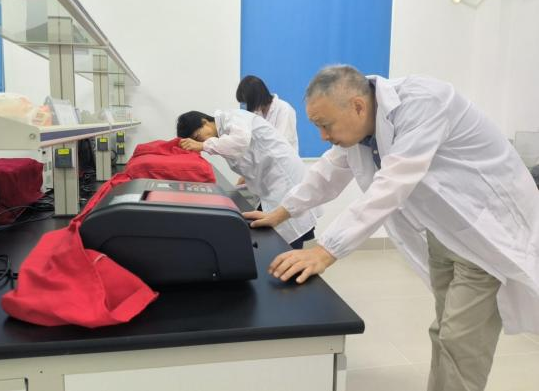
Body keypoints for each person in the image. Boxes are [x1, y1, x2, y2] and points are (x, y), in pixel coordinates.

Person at [244, 65, 539, 391]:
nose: (323, 136)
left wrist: (326, 251)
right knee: (443, 331)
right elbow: (328, 172)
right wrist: (282, 212)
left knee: (461, 341)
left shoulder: (424, 102)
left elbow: (392, 182)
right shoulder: (361, 130)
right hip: (443, 232)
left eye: (325, 125)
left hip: (484, 230)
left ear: (357, 106)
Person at [176, 109, 318, 248]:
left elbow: (240, 142)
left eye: (197, 136)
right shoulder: (222, 136)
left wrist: (202, 145)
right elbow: (248, 155)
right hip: (270, 183)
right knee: (276, 230)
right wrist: (245, 177)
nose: (200, 141)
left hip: (283, 177)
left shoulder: (233, 117)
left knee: (286, 233)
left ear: (204, 122)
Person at [236, 75, 299, 152]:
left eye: (248, 103)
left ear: (256, 98)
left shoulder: (284, 110)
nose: (248, 107)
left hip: (283, 158)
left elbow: (281, 145)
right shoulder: (256, 112)